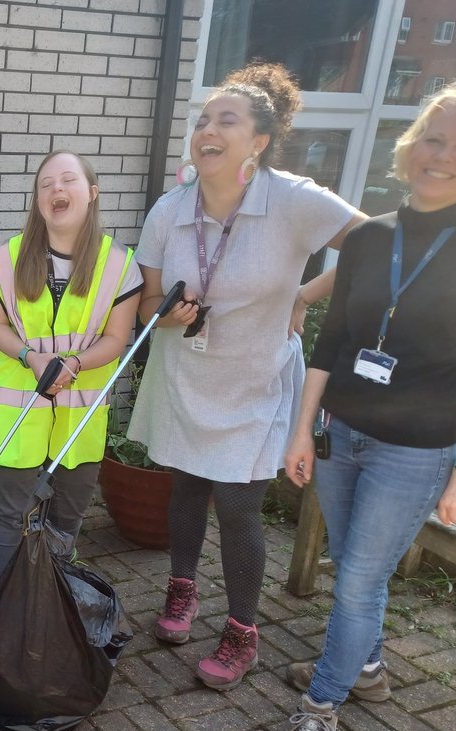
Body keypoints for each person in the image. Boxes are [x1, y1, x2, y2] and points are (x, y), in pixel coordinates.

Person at [281, 77, 456, 731]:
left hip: (416, 450)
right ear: (412, 146)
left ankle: (322, 706)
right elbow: (330, 342)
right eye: (433, 139)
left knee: (356, 580)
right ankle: (367, 666)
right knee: (360, 566)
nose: (442, 156)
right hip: (342, 435)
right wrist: (302, 430)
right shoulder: (369, 237)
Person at [128, 63, 366, 690]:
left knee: (237, 505)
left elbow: (376, 242)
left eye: (225, 121)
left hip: (256, 379)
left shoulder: (292, 199)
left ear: (259, 140)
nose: (206, 130)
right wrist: (166, 316)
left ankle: (242, 632)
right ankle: (182, 589)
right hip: (186, 373)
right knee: (186, 486)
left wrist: (306, 295)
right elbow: (148, 304)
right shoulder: (169, 209)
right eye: (202, 120)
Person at [0, 150, 143, 598]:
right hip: (16, 406)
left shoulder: (119, 264)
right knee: (8, 514)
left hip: (80, 413)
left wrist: (75, 363)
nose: (56, 189)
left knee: (66, 518)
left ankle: (50, 601)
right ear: (37, 200)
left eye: (68, 180)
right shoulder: (5, 258)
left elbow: (116, 338)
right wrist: (30, 357)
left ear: (92, 193)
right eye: (46, 184)